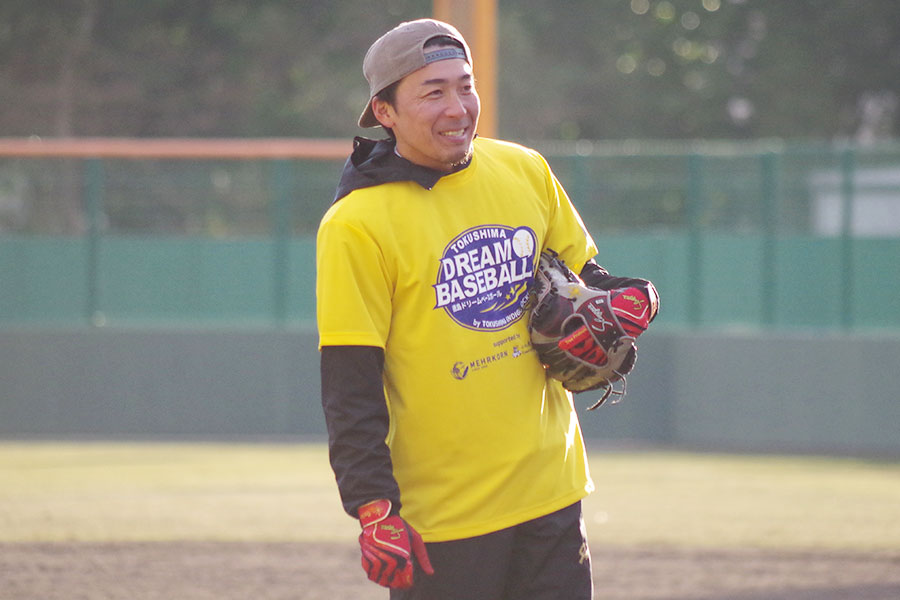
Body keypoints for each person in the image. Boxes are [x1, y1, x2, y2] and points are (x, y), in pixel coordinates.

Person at [316, 18, 656, 600]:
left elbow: (591, 279)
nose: (458, 107)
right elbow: (351, 385)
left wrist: (636, 299)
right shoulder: (356, 225)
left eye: (465, 85)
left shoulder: (522, 169)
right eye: (433, 92)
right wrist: (374, 510)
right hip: (445, 518)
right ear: (386, 112)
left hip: (550, 490)